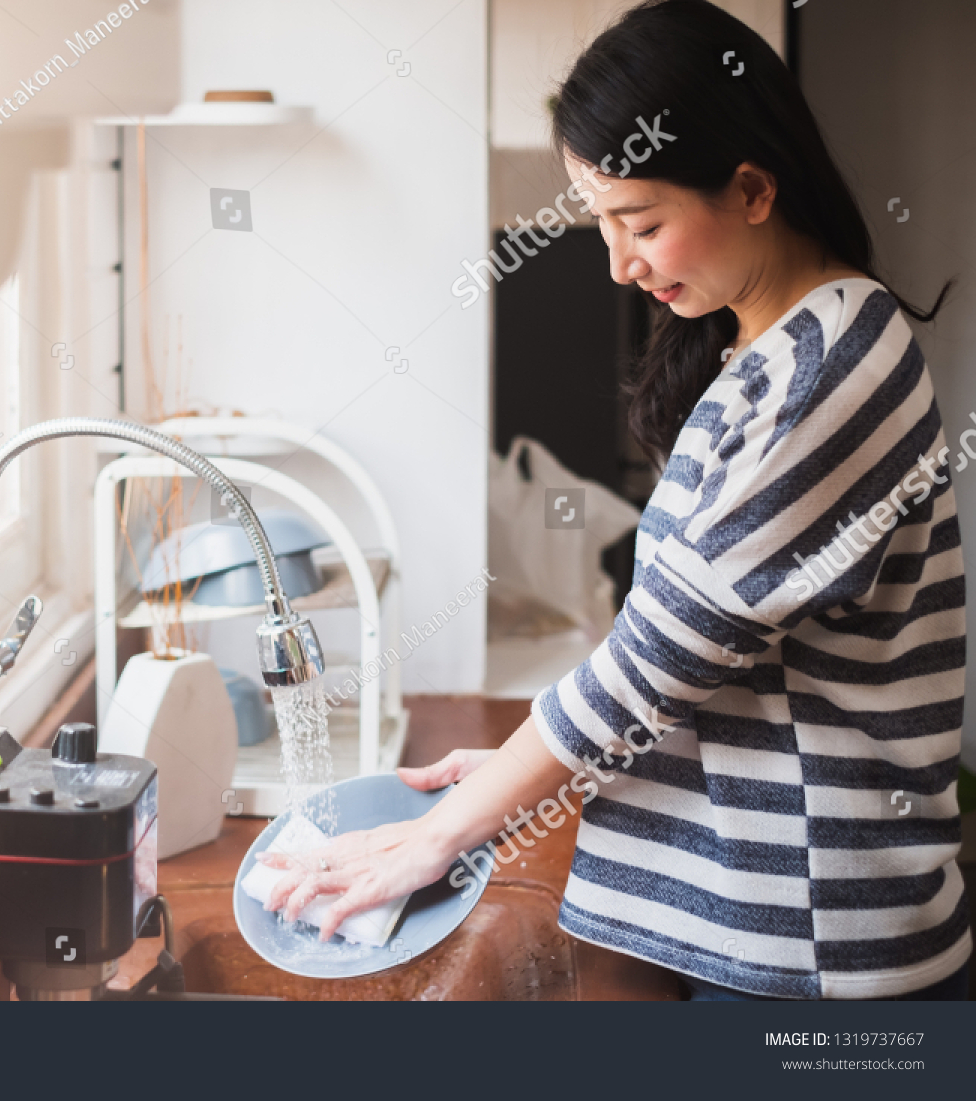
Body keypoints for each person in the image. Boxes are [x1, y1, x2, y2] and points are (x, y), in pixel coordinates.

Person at [258, 0, 970, 1000]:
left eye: (641, 223)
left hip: (805, 942)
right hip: (738, 911)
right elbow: (682, 638)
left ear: (754, 189)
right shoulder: (765, 345)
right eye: (601, 223)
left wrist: (435, 839)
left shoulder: (828, 372)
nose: (618, 263)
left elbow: (654, 665)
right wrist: (515, 767)